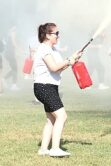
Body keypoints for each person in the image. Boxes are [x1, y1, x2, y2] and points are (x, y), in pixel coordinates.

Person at [33, 23, 82, 157]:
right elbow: (53, 67)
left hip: (50, 87)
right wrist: (69, 60)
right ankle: (55, 149)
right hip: (44, 87)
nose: (58, 36)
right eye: (56, 33)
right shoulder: (44, 49)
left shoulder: (53, 50)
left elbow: (59, 68)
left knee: (51, 119)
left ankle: (43, 149)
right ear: (48, 35)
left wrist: (73, 59)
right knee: (62, 116)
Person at [4, 26, 19, 91]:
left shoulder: (8, 34)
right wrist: (20, 49)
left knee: (14, 68)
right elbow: (14, 43)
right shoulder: (12, 33)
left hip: (8, 53)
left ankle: (4, 78)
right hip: (10, 53)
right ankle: (13, 85)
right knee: (15, 69)